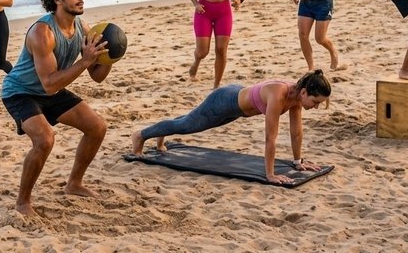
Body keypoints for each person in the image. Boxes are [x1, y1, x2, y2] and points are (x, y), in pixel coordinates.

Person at [0, 0, 110, 215]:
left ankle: (74, 184)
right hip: (21, 92)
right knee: (44, 139)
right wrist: (84, 61)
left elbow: (97, 77)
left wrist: (108, 56)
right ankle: (23, 203)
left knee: (97, 128)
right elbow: (49, 82)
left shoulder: (82, 27)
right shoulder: (43, 32)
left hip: (52, 89)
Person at [130, 70, 331, 184]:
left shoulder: (296, 98)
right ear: (304, 92)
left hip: (236, 105)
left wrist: (297, 162)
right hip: (225, 101)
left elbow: (296, 133)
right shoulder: (278, 95)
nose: (316, 107)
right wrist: (270, 175)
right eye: (315, 101)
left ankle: (161, 134)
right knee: (187, 125)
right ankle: (140, 135)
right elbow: (271, 137)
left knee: (187, 122)